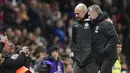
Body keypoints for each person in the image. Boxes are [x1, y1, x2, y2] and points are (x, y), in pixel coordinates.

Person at [87, 5, 118, 73]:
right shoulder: (95, 24)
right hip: (101, 56)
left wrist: (105, 50)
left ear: (95, 13)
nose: (89, 17)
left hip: (109, 56)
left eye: (90, 15)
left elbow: (114, 37)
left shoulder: (106, 23)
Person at [71, 3, 98, 73]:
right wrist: (74, 52)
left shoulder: (93, 22)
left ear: (84, 12)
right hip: (78, 61)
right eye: (75, 14)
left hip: (91, 61)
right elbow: (73, 41)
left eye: (78, 13)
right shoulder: (75, 25)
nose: (76, 16)